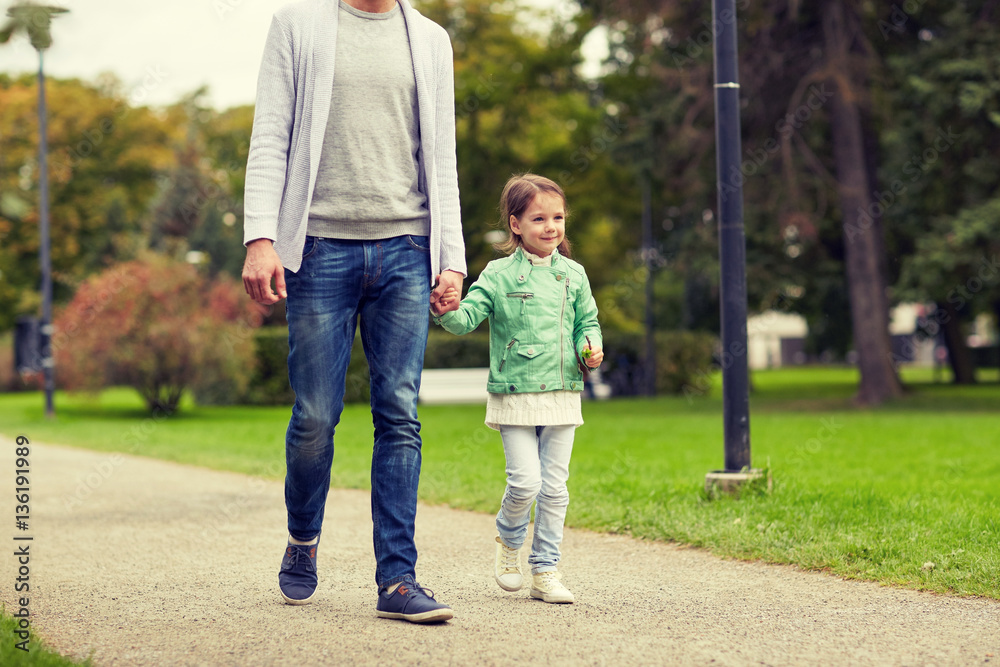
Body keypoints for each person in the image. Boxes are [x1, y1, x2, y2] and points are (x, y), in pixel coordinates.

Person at [240, 0, 465, 624]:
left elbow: (440, 154)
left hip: (407, 249)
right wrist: (261, 236)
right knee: (316, 414)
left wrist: (451, 257)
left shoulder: (430, 39)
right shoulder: (298, 26)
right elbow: (271, 135)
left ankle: (398, 580)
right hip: (316, 248)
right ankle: (303, 537)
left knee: (400, 412)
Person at [431, 173, 603, 604]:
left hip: (563, 391)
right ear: (515, 224)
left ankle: (545, 570)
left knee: (555, 488)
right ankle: (509, 542)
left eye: (558, 217)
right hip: (514, 393)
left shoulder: (574, 275)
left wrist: (591, 347)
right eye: (539, 218)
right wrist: (445, 310)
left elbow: (589, 323)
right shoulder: (498, 274)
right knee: (526, 482)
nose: (551, 227)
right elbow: (466, 318)